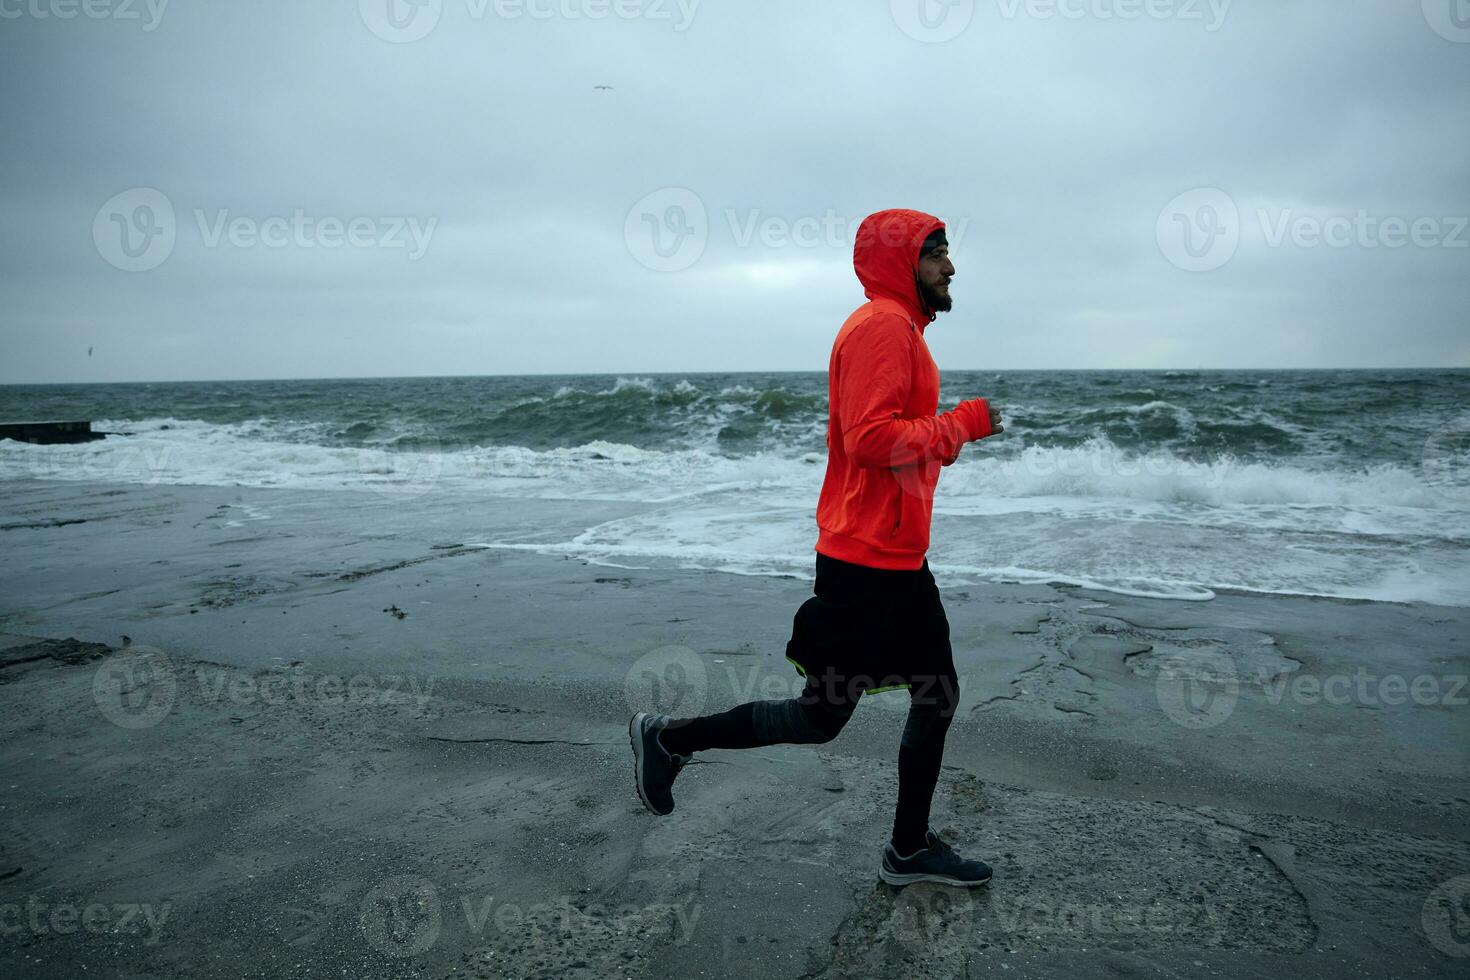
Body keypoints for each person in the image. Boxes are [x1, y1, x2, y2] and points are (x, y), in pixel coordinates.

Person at [629, 208, 1004, 887]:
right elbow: (871, 440)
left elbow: (894, 440)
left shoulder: (901, 331)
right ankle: (669, 738)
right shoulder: (884, 329)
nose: (950, 267)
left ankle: (910, 848)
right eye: (936, 254)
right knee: (822, 718)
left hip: (896, 558)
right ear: (902, 265)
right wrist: (963, 426)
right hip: (865, 564)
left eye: (947, 253)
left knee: (937, 691)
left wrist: (945, 437)